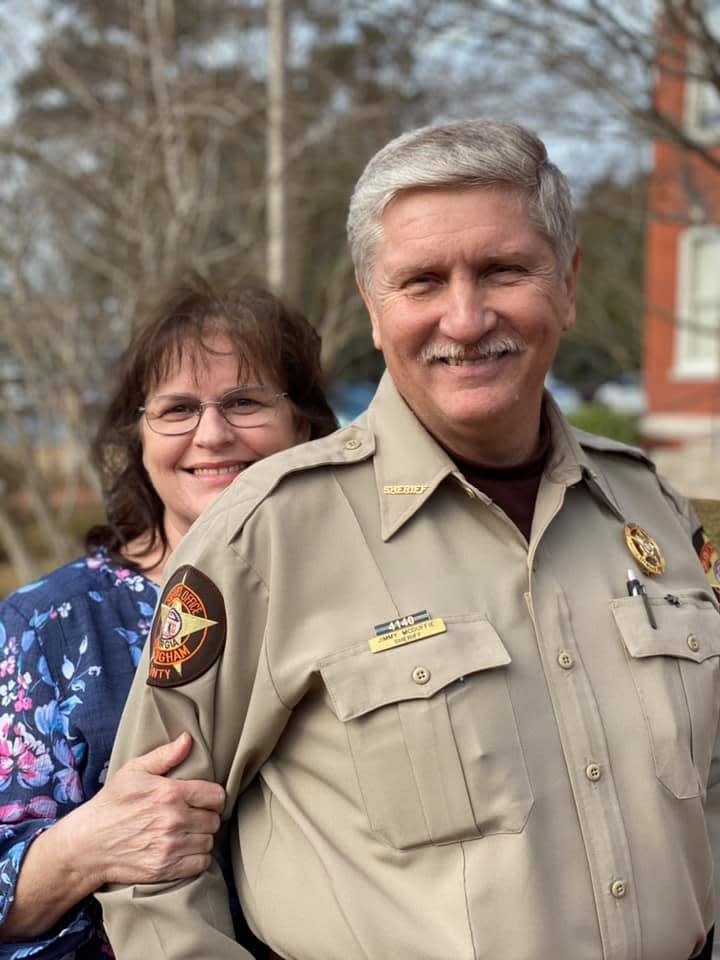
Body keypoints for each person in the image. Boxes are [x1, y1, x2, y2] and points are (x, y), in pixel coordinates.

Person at [99, 121, 720, 960]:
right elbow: (147, 863)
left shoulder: (651, 511)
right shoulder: (269, 535)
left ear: (567, 284)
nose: (464, 319)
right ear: (374, 303)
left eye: (503, 270)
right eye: (423, 280)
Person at [0, 278, 337, 958]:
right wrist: (84, 848)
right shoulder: (46, 627)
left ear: (303, 425)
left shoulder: (361, 595)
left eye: (244, 402)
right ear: (138, 437)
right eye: (178, 410)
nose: (212, 435)